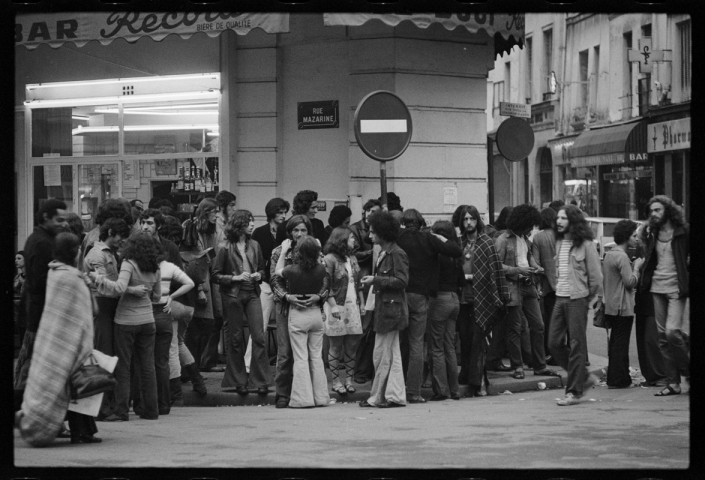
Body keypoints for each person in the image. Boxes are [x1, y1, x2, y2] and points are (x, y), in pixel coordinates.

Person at [16, 232, 100, 446]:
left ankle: (77, 430)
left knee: (65, 386)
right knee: (77, 386)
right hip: (72, 340)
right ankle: (81, 432)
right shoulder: (74, 278)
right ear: (76, 252)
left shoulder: (53, 273)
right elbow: (91, 311)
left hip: (54, 341)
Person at [89, 232, 162, 421]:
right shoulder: (155, 268)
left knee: (124, 367)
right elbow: (156, 296)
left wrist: (98, 278)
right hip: (148, 321)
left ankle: (121, 410)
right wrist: (142, 291)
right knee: (147, 366)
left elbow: (119, 288)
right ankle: (151, 410)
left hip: (126, 321)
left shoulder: (129, 263)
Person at [396, 208, 462, 404]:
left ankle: (396, 387)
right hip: (421, 296)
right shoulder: (428, 239)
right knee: (417, 343)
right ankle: (414, 391)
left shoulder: (398, 237)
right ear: (421, 223)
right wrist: (435, 236)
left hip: (400, 294)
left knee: (397, 343)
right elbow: (455, 249)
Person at [14, 199, 69, 413]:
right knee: (37, 370)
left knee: (33, 367)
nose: (63, 224)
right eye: (59, 220)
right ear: (46, 217)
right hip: (42, 317)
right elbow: (41, 283)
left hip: (38, 316)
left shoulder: (40, 239)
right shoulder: (42, 243)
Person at [270, 215, 328, 408]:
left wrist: (319, 296)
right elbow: (274, 279)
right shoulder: (279, 251)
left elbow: (326, 281)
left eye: (303, 230)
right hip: (286, 306)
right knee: (285, 353)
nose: (299, 234)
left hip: (309, 307)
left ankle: (309, 394)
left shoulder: (315, 250)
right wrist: (287, 296)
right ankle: (283, 394)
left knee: (307, 355)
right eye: (296, 230)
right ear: (290, 232)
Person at [548, 205, 603, 406]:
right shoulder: (560, 242)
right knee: (553, 342)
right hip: (560, 297)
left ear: (573, 221)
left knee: (576, 345)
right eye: (558, 218)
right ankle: (583, 378)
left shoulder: (586, 245)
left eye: (563, 218)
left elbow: (596, 278)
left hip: (577, 299)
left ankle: (573, 391)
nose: (559, 222)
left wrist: (586, 299)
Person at [494, 204, 557, 380]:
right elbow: (497, 266)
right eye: (529, 225)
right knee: (515, 328)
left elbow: (528, 258)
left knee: (538, 325)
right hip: (513, 286)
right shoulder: (503, 240)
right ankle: (518, 366)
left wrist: (537, 268)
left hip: (527, 285)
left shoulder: (525, 239)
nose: (531, 229)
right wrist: (518, 271)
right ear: (521, 223)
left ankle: (539, 365)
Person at [212, 210, 269, 395]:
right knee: (235, 339)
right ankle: (238, 381)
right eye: (249, 222)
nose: (252, 225)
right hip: (232, 295)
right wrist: (235, 278)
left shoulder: (255, 245)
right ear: (239, 225)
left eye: (252, 221)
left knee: (259, 337)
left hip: (252, 292)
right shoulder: (224, 247)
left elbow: (262, 269)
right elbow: (215, 275)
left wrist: (259, 275)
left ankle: (260, 380)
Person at [454, 205, 509, 397]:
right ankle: (467, 375)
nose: (469, 222)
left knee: (478, 340)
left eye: (472, 219)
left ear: (478, 221)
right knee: (466, 339)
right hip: (462, 299)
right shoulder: (459, 242)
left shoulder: (486, 242)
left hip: (482, 298)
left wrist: (500, 296)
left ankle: (478, 383)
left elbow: (495, 271)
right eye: (465, 219)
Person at [638, 195, 689, 396]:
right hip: (657, 287)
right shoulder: (652, 232)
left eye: (658, 210)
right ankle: (673, 383)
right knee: (662, 338)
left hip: (677, 288)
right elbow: (649, 257)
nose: (654, 214)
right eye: (651, 211)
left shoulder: (683, 231)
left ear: (668, 210)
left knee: (672, 332)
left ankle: (687, 370)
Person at [82, 217, 131, 419]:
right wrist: (125, 289)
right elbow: (102, 284)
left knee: (109, 357)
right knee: (103, 356)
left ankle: (106, 406)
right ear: (110, 232)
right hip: (101, 306)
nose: (123, 240)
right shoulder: (96, 254)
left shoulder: (111, 253)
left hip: (109, 307)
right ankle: (101, 409)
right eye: (121, 236)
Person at [359, 211, 408, 408]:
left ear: (382, 233)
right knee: (390, 354)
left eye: (373, 232)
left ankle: (379, 396)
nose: (370, 236)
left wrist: (375, 280)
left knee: (382, 355)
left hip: (390, 311)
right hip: (387, 310)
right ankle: (393, 395)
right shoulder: (386, 253)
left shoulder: (396, 254)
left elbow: (402, 281)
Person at [322, 226, 364, 395]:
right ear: (342, 240)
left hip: (352, 305)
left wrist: (361, 303)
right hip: (337, 305)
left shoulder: (352, 258)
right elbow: (326, 285)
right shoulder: (330, 259)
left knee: (352, 344)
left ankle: (348, 380)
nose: (354, 240)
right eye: (351, 238)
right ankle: (336, 381)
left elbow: (358, 282)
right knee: (335, 345)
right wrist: (332, 306)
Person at [152, 247, 194, 414]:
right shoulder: (169, 266)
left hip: (148, 311)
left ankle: (153, 397)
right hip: (166, 311)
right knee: (170, 352)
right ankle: (174, 396)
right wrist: (171, 297)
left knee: (151, 356)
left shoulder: (144, 267)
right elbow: (189, 283)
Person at [602, 220, 644, 389]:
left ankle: (616, 377)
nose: (636, 239)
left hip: (611, 305)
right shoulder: (622, 256)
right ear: (627, 237)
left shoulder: (610, 254)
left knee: (615, 343)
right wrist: (637, 267)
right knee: (621, 344)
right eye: (634, 236)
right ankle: (619, 379)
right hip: (623, 306)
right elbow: (629, 282)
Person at [250, 197, 290, 369]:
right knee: (260, 327)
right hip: (266, 282)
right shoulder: (259, 233)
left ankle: (285, 365)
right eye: (279, 212)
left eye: (284, 212)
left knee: (287, 327)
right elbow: (256, 257)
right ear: (271, 214)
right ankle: (250, 364)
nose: (283, 216)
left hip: (284, 283)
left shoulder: (287, 231)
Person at [180, 199, 219, 373]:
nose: (216, 215)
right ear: (206, 212)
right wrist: (200, 289)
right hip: (199, 282)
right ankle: (192, 366)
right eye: (214, 212)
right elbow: (194, 261)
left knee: (207, 323)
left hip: (207, 279)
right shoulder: (192, 229)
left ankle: (195, 365)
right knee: (199, 324)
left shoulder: (209, 231)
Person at [426, 220, 463, 401]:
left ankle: (442, 390)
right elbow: (462, 280)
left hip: (439, 299)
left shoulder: (437, 254)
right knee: (450, 346)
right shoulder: (455, 255)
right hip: (454, 299)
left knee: (437, 347)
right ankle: (455, 390)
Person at [531, 207, 559, 365]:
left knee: (548, 321)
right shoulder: (561, 236)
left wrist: (544, 271)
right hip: (563, 285)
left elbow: (535, 263)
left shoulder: (538, 238)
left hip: (547, 287)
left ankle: (549, 352)